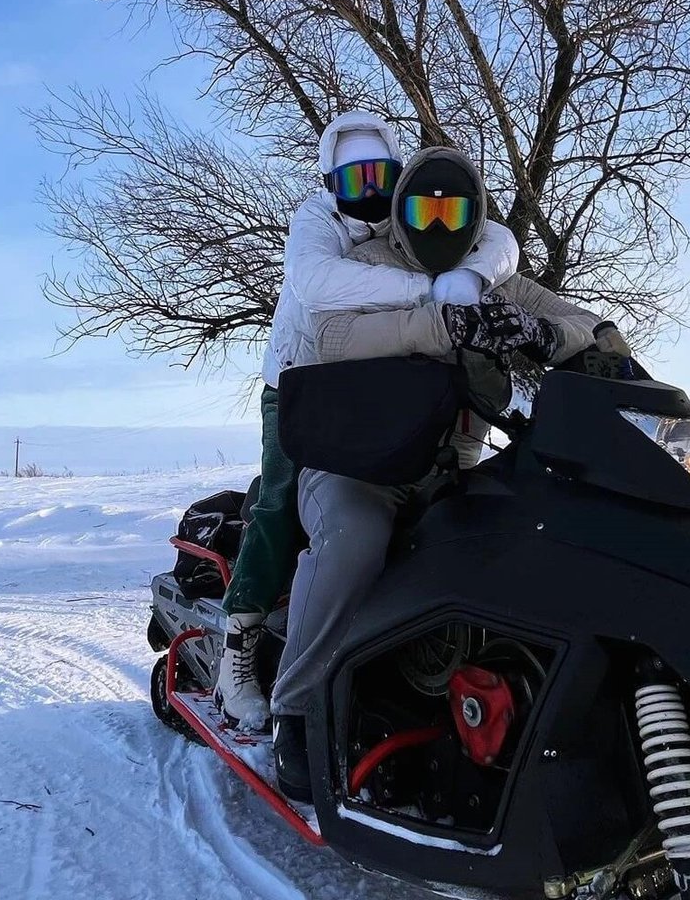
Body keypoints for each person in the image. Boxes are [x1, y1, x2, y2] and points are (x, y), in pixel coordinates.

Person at [267, 143, 630, 802]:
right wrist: (437, 323)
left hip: (454, 469)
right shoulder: (369, 266)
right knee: (355, 542)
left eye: (453, 208)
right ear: (403, 211)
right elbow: (328, 338)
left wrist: (552, 337)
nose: (438, 222)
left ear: (475, 215)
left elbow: (593, 323)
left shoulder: (488, 276)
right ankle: (293, 709)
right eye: (424, 207)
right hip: (356, 469)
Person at [213, 111, 523, 730]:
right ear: (331, 182)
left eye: (381, 174)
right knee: (279, 502)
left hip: (391, 386)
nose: (371, 190)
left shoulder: (409, 210)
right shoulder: (315, 221)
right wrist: (428, 292)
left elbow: (498, 237)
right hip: (301, 382)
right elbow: (315, 281)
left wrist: (471, 276)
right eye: (354, 179)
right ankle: (238, 648)